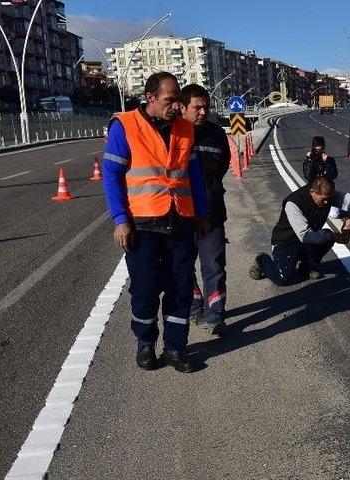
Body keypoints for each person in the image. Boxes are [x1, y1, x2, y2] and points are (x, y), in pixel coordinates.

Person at [102, 72, 207, 373]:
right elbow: (111, 175)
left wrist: (201, 214)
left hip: (181, 221)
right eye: (169, 100)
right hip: (143, 223)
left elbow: (194, 177)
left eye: (178, 100)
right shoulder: (125, 126)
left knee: (180, 288)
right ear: (150, 98)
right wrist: (120, 219)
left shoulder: (186, 128)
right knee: (146, 289)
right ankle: (146, 343)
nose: (176, 106)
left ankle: (175, 348)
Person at [180, 84, 231, 337]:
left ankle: (216, 314)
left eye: (206, 107)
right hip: (180, 214)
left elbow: (223, 165)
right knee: (182, 265)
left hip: (211, 212)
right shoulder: (174, 134)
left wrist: (210, 190)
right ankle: (195, 307)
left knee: (214, 265)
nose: (202, 112)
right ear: (182, 107)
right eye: (197, 107)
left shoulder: (216, 134)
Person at [249, 177, 350, 284]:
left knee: (326, 238)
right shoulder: (294, 203)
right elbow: (305, 235)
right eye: (323, 199)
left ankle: (307, 267)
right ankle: (262, 260)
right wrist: (331, 236)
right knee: (283, 278)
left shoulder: (327, 194)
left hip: (308, 239)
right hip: (286, 242)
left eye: (329, 199)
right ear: (312, 191)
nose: (327, 203)